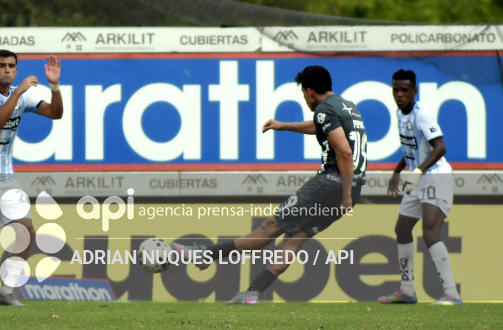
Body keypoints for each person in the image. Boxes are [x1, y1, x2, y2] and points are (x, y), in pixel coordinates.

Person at [174, 65, 366, 304]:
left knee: (270, 228)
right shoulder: (346, 107)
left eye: (303, 94)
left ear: (308, 92)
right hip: (354, 186)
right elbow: (322, 128)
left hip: (331, 184)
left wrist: (344, 193)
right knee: (295, 238)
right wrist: (283, 125)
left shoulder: (323, 109)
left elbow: (345, 153)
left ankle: (206, 255)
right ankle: (254, 292)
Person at [0, 50, 63, 306]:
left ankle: (7, 291)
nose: (7, 70)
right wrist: (19, 92)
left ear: (16, 69)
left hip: (7, 176)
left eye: (11, 66)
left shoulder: (22, 94)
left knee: (26, 230)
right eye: (1, 66)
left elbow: (56, 113)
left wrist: (54, 86)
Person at [377, 69, 462, 305]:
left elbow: (440, 147)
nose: (400, 94)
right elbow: (411, 148)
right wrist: (396, 171)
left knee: (430, 232)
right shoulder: (399, 113)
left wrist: (417, 172)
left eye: (405, 90)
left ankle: (451, 294)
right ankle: (407, 291)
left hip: (436, 177)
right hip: (418, 178)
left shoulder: (422, 114)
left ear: (415, 91)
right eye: (396, 90)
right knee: (402, 229)